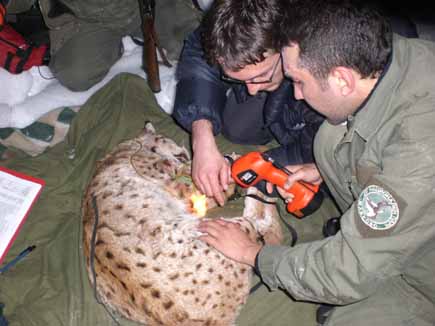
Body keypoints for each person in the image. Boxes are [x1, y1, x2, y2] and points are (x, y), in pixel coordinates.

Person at [198, 0, 435, 325]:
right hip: (412, 222)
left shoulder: (420, 148)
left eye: (298, 81)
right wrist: (321, 169)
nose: (295, 95)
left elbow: (347, 270)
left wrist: (254, 256)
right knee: (329, 141)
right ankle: (365, 243)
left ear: (342, 80)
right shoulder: (389, 56)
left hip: (425, 278)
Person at [172, 0, 325, 206]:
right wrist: (201, 137)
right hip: (285, 93)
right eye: (241, 79)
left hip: (322, 115)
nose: (251, 90)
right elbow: (198, 58)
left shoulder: (322, 73)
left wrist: (259, 167)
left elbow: (332, 144)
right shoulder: (234, 22)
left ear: (287, 48)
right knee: (237, 128)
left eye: (260, 76)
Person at [3, 0, 199, 91]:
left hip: (151, 4)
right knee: (75, 75)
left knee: (202, 48)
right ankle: (118, 47)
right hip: (87, 18)